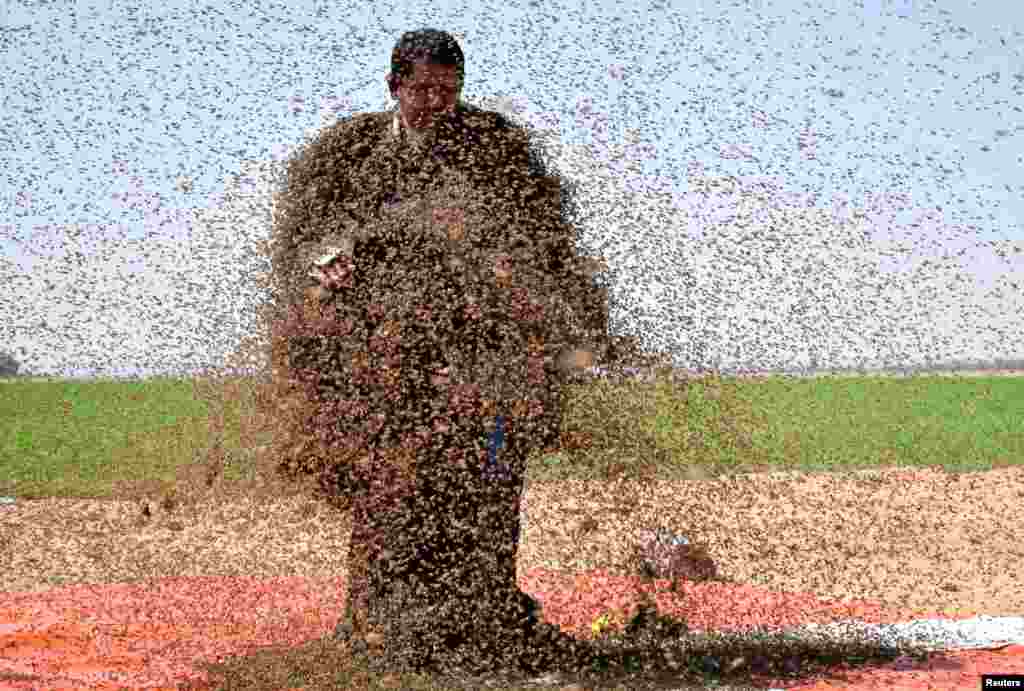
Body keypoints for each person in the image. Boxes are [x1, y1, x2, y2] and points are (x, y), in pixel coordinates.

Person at [267, 27, 619, 677]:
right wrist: (325, 258)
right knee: (391, 483)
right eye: (423, 89)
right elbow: (301, 235)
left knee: (488, 479)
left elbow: (551, 238)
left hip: (481, 346)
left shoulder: (497, 144)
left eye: (448, 90)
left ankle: (489, 620)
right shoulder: (348, 151)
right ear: (394, 86)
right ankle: (376, 627)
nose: (436, 102)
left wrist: (583, 326)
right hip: (383, 349)